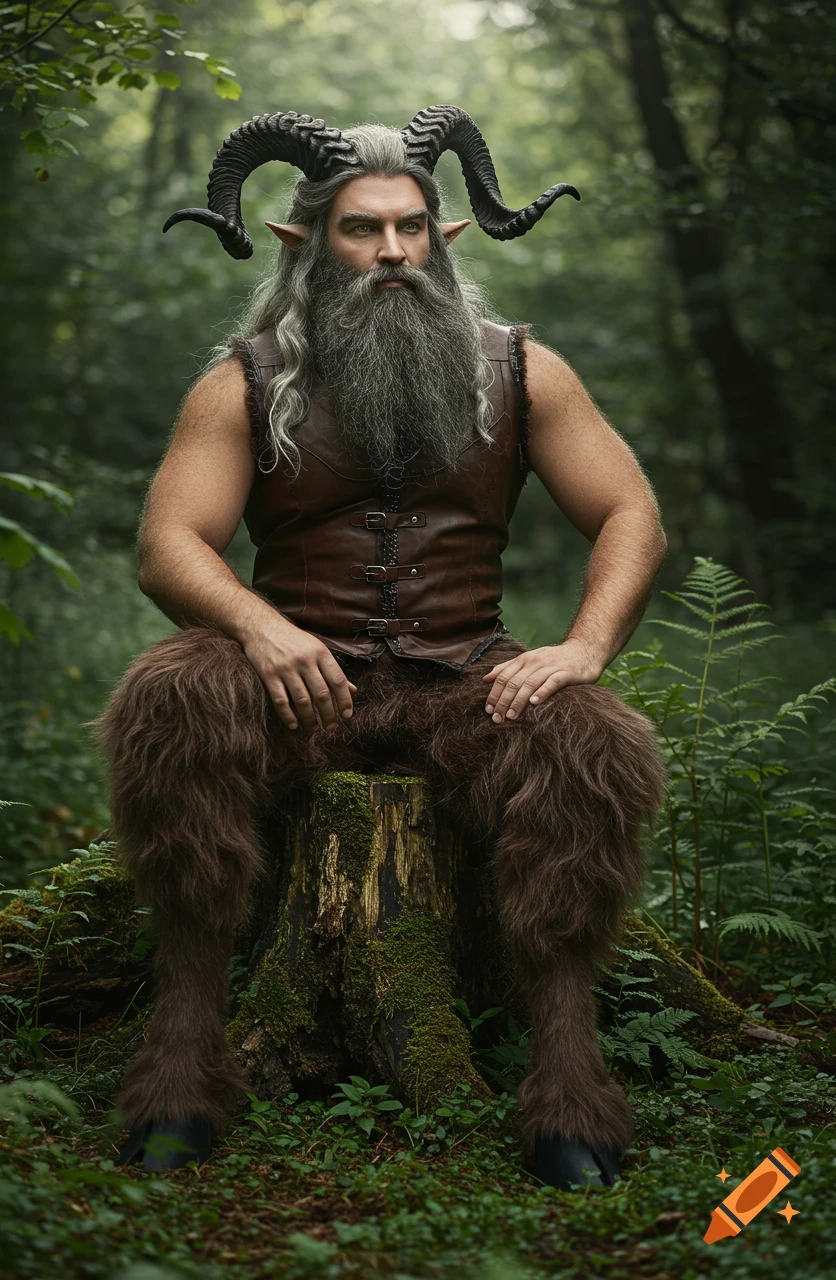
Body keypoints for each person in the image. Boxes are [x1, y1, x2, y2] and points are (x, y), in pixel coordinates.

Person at [96, 107, 667, 1186]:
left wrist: (582, 647)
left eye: (411, 227)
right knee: (170, 692)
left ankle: (568, 1083)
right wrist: (260, 630)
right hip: (298, 686)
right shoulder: (244, 380)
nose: (392, 252)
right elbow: (168, 544)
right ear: (301, 241)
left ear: (447, 240)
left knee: (591, 736)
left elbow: (629, 512)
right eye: (361, 230)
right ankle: (178, 1067)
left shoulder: (521, 370)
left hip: (464, 681)